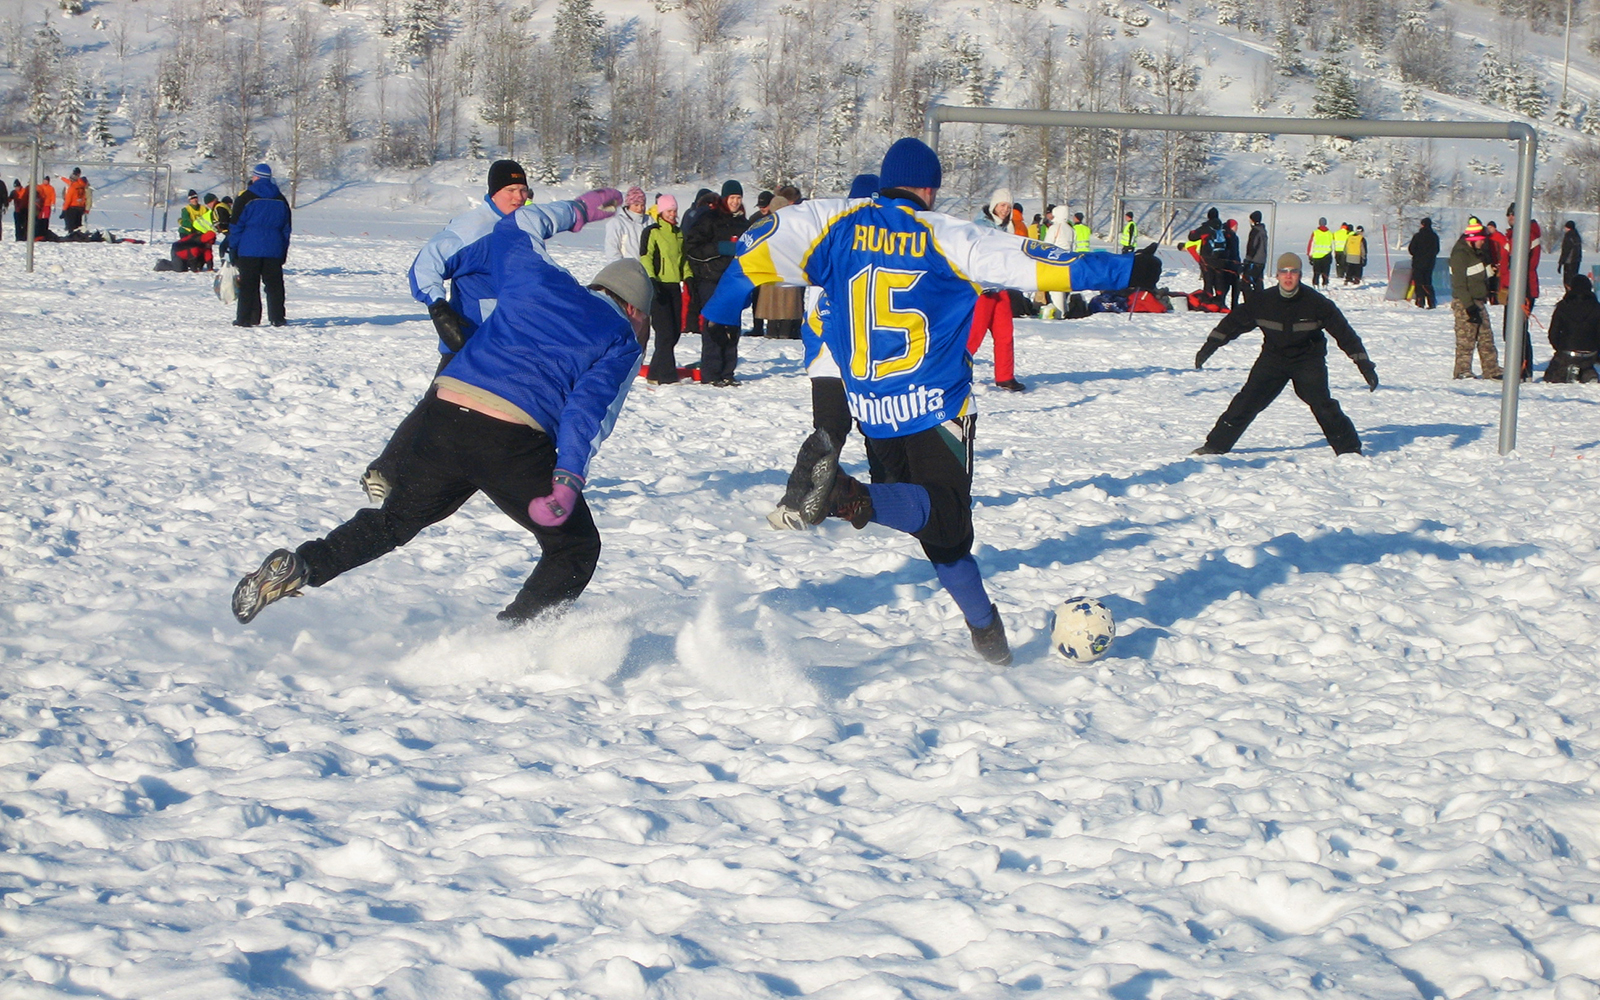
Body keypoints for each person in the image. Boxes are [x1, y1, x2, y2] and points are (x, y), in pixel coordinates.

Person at [702, 137, 1163, 665]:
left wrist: (720, 307)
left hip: (873, 412)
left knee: (936, 530)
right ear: (929, 187)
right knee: (946, 519)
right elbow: (1041, 264)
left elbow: (756, 243)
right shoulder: (949, 236)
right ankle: (853, 498)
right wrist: (1128, 272)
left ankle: (985, 629)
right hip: (935, 408)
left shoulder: (833, 224)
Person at [231, 227, 653, 628]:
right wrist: (567, 477)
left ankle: (304, 565)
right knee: (575, 545)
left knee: (393, 522)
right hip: (508, 439)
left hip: (443, 415)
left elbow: (509, 240)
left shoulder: (544, 285)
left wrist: (574, 211)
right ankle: (519, 635)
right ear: (634, 309)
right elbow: (585, 414)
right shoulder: (619, 336)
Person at [363, 160, 620, 502]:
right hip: (469, 338)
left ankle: (529, 478)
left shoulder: (520, 226)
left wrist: (580, 209)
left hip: (510, 340)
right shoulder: (475, 229)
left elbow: (548, 216)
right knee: (438, 407)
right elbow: (426, 264)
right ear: (493, 192)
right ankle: (385, 470)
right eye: (510, 190)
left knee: (519, 408)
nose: (518, 197)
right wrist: (440, 309)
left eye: (523, 191)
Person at [1192, 252, 1376, 456]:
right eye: (1284, 272)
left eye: (1294, 272)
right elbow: (1234, 323)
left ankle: (1349, 450)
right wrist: (1210, 346)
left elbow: (1345, 334)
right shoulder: (1263, 301)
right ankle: (1215, 446)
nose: (1288, 277)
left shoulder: (1316, 303)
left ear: (1299, 275)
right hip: (1273, 359)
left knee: (1323, 405)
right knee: (1247, 401)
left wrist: (1364, 364)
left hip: (1308, 359)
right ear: (1278, 275)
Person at [684, 179, 750, 386]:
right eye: (732, 198)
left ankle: (727, 371)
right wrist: (719, 248)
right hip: (711, 279)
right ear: (724, 198)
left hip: (736, 281)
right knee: (714, 325)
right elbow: (692, 247)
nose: (735, 202)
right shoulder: (709, 219)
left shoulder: (744, 223)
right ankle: (711, 372)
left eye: (738, 198)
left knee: (732, 327)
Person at [970, 189, 1026, 391]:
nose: (1005, 210)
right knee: (974, 335)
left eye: (1009, 207)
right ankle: (956, 374)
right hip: (982, 289)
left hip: (1001, 287)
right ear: (994, 205)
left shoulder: (1008, 228)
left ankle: (1005, 376)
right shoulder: (980, 226)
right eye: (1002, 205)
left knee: (1004, 333)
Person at [229, 164, 292, 327]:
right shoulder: (280, 199)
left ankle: (245, 318)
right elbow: (286, 229)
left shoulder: (246, 198)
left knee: (248, 285)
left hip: (249, 248)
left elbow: (236, 226)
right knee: (274, 285)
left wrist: (233, 248)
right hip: (274, 248)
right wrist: (283, 250)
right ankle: (277, 318)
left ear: (255, 177)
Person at [640, 193, 690, 384]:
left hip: (673, 286)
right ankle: (665, 374)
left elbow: (683, 259)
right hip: (658, 285)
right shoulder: (653, 231)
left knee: (675, 330)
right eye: (669, 211)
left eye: (675, 211)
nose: (672, 214)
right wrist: (652, 279)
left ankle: (656, 371)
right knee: (665, 331)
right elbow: (645, 256)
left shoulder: (678, 233)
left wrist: (688, 277)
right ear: (661, 212)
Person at [1448, 217, 1503, 380]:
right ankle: (1462, 371)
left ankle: (1491, 369)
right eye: (1480, 241)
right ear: (1471, 240)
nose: (1482, 244)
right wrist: (1469, 306)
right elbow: (1459, 284)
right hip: (1465, 302)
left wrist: (1491, 271)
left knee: (1486, 337)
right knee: (1466, 339)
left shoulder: (1475, 253)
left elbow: (1477, 274)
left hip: (1478, 300)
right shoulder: (1459, 254)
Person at [1502, 202, 1541, 380]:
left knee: (1517, 329)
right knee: (1511, 330)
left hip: (1522, 288)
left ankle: (1522, 370)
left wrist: (1523, 292)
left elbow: (1521, 264)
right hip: (1515, 287)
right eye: (1509, 214)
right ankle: (1517, 368)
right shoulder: (1514, 235)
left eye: (1513, 214)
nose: (1510, 217)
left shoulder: (1524, 234)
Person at [1542, 274, 1600, 383]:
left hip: (1567, 351)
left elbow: (1553, 333)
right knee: (1586, 364)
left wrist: (1559, 348)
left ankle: (1570, 372)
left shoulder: (1563, 306)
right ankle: (1587, 373)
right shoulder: (1597, 307)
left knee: (1551, 376)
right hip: (1590, 353)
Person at [602, 186, 648, 262]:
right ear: (629, 204)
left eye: (642, 205)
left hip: (646, 270)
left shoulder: (649, 221)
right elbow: (612, 248)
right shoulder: (617, 223)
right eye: (636, 205)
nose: (640, 208)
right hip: (627, 268)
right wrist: (619, 268)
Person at [174, 189, 216, 271]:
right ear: (189, 200)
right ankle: (188, 264)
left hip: (198, 233)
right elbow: (187, 222)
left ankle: (201, 264)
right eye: (192, 198)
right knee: (190, 250)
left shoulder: (204, 209)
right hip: (186, 233)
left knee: (204, 249)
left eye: (196, 198)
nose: (195, 200)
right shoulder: (186, 209)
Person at [1407, 217, 1440, 309]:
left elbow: (1411, 249)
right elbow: (1437, 250)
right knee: (1427, 282)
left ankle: (1420, 301)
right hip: (1430, 263)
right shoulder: (1434, 236)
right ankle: (1431, 301)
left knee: (1419, 282)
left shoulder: (1417, 236)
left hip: (1418, 262)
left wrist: (1417, 255)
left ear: (1422, 225)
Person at [1243, 210, 1268, 295]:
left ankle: (1251, 302)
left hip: (1254, 261)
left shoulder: (1255, 231)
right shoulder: (1263, 230)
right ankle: (1260, 301)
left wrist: (1247, 260)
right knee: (1259, 282)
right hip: (1262, 260)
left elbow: (1252, 246)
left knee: (1247, 282)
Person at [1307, 218, 1334, 287]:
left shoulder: (1315, 233)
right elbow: (1333, 245)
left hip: (1317, 256)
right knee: (1325, 272)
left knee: (1316, 272)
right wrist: (1333, 255)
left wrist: (1310, 255)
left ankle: (1316, 283)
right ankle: (1325, 283)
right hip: (1327, 255)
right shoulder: (1330, 234)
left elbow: (1311, 244)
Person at [61, 168, 89, 234]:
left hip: (72, 207)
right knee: (78, 225)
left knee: (71, 225)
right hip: (80, 207)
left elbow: (68, 199)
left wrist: (64, 209)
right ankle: (78, 237)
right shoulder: (83, 186)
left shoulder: (73, 187)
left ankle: (71, 236)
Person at [1559, 221, 1583, 291]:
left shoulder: (1568, 236)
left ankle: (1569, 292)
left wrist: (1561, 262)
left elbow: (1565, 250)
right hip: (1577, 260)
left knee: (1567, 280)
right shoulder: (1577, 235)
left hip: (1569, 261)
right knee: (1574, 278)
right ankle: (1573, 290)